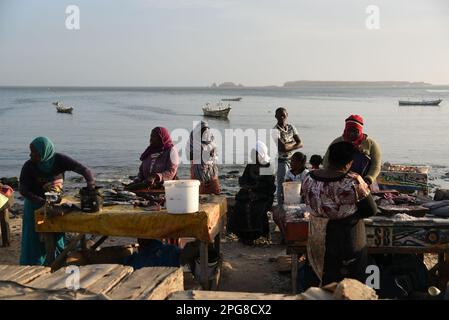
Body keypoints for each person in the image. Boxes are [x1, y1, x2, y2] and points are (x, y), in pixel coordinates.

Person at [301, 141, 377, 287]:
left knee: (321, 281)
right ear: (349, 162)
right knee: (348, 287)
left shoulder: (308, 177)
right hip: (346, 241)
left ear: (328, 158)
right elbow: (370, 210)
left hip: (317, 237)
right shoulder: (353, 181)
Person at [19, 136, 95, 265]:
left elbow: (84, 170)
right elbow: (23, 190)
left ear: (44, 151)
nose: (30, 155)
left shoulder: (59, 160)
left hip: (55, 204)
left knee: (57, 233)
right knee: (33, 238)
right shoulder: (29, 166)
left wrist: (91, 185)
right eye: (31, 151)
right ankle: (33, 265)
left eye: (34, 152)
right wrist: (41, 201)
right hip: (34, 206)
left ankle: (57, 261)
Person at [229, 141, 276, 245]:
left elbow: (269, 186)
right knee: (240, 206)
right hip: (248, 193)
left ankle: (259, 235)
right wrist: (249, 190)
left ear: (261, 154)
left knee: (258, 208)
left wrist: (256, 192)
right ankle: (244, 235)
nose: (253, 156)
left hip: (263, 195)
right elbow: (243, 181)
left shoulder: (268, 166)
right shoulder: (250, 166)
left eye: (255, 153)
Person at [323, 114, 381, 187]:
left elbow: (376, 165)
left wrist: (368, 180)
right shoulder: (337, 143)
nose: (352, 134)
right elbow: (326, 162)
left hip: (365, 182)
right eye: (349, 130)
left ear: (360, 131)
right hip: (339, 181)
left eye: (355, 131)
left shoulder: (371, 144)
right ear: (345, 129)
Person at [273, 152, 309, 242]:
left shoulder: (306, 174)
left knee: (294, 216)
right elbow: (286, 186)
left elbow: (306, 191)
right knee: (276, 214)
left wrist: (297, 188)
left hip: (302, 204)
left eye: (293, 161)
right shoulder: (289, 172)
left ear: (301, 163)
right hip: (289, 202)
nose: (291, 163)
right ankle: (285, 235)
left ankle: (294, 237)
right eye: (291, 161)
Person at [273, 107, 303, 205]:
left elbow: (301, 143)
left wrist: (288, 145)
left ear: (287, 115)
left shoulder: (291, 127)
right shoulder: (275, 130)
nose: (282, 117)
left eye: (283, 115)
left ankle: (292, 203)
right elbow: (282, 148)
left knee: (294, 184)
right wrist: (293, 143)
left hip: (293, 161)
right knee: (282, 185)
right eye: (279, 115)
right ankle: (281, 206)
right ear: (275, 116)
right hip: (281, 161)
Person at [186, 121, 221, 194]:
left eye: (206, 130)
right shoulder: (193, 140)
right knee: (197, 199)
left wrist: (211, 154)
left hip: (212, 175)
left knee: (215, 197)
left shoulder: (211, 141)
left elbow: (215, 159)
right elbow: (189, 156)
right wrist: (202, 151)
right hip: (197, 176)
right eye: (202, 130)